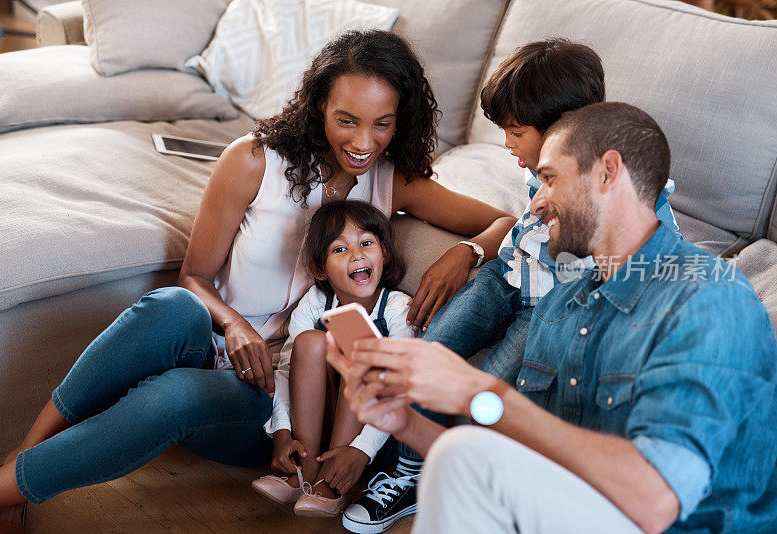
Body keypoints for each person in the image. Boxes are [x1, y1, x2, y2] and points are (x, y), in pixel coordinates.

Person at [0, 30, 514, 528]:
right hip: (217, 340)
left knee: (176, 396)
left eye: (383, 123)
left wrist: (466, 252)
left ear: (402, 120)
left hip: (275, 401)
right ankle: (23, 462)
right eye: (347, 119)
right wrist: (234, 325)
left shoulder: (393, 181)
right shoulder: (254, 161)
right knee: (168, 305)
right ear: (319, 106)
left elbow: (504, 222)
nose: (363, 141)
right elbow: (194, 275)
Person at [331, 102, 777, 533]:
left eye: (548, 180)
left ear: (607, 173)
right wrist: (406, 423)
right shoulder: (563, 303)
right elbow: (508, 455)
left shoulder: (705, 297)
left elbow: (655, 501)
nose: (537, 203)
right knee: (462, 453)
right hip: (583, 506)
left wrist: (473, 389)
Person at [339, 38, 679, 534]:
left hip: (553, 306)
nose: (506, 145)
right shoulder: (540, 167)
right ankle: (405, 465)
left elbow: (654, 253)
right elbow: (524, 226)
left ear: (566, 129)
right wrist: (478, 249)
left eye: (515, 132)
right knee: (430, 350)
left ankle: (426, 473)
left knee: (485, 397)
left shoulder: (625, 187)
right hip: (509, 274)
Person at [250, 200, 414, 517]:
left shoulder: (396, 308)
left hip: (372, 438)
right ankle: (305, 468)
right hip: (314, 424)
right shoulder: (315, 302)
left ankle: (333, 480)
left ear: (385, 254)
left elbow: (399, 389)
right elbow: (285, 371)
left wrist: (361, 449)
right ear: (319, 268)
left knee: (355, 339)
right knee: (310, 340)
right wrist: (282, 435)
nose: (357, 255)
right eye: (340, 250)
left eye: (367, 243)